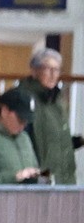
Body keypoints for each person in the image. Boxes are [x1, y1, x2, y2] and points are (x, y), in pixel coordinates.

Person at [12, 48, 81, 185]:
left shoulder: (58, 101)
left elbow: (55, 141)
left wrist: (79, 141)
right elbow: (23, 139)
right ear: (34, 70)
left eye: (57, 70)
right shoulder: (23, 98)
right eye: (47, 68)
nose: (53, 74)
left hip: (64, 179)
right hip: (39, 180)